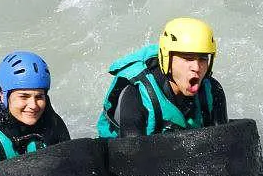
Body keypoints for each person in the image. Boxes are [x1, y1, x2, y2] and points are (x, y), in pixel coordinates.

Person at [97, 16, 228, 138]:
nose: (197, 67)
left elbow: (222, 145)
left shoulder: (212, 90)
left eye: (203, 59)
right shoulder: (135, 96)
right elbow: (130, 156)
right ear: (167, 60)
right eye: (188, 59)